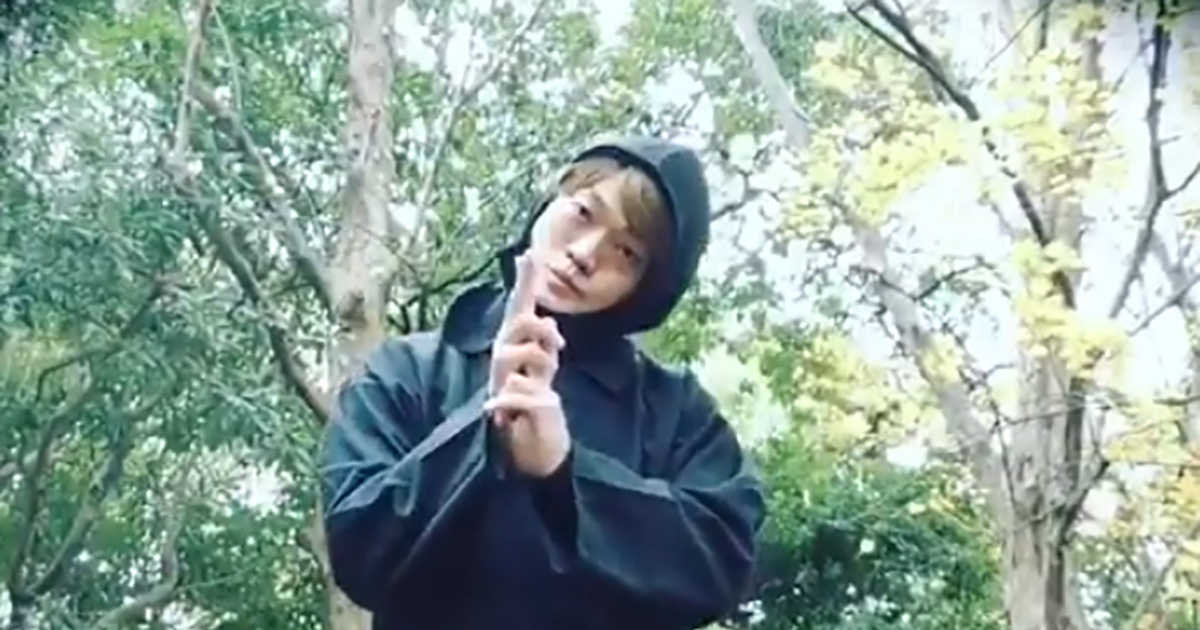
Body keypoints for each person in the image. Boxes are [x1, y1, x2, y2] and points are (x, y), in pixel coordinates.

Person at [320, 134, 766, 630]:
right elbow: (358, 547)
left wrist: (563, 472)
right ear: (552, 198)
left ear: (648, 288)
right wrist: (484, 426)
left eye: (627, 251)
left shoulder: (677, 412)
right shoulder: (407, 370)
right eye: (584, 213)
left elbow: (723, 560)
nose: (585, 254)